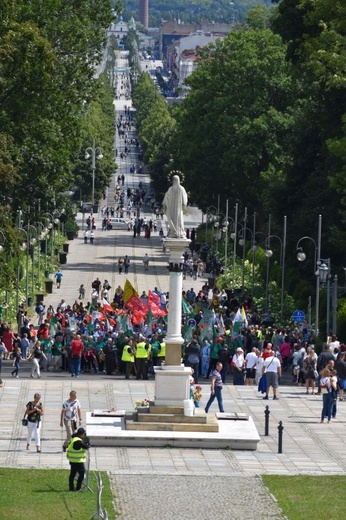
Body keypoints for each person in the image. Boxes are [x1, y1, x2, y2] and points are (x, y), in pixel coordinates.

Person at [162, 174, 188, 238]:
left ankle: (173, 231)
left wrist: (165, 205)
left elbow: (166, 198)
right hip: (178, 209)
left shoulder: (170, 189)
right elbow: (184, 200)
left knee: (172, 219)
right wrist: (184, 205)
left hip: (171, 209)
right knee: (179, 220)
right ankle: (179, 232)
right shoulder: (182, 189)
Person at [67, 427, 90, 492]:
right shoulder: (78, 441)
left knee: (72, 474)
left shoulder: (73, 438)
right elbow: (86, 447)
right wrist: (88, 444)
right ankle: (78, 488)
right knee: (81, 474)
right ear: (81, 434)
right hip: (78, 461)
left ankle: (71, 488)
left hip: (72, 460)